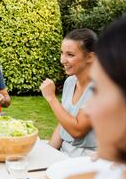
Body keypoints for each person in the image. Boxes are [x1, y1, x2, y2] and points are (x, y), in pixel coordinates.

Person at [55, 12, 126, 179]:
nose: (89, 109)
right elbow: (62, 123)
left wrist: (51, 98)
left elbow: (76, 129)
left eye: (100, 91)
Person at [40, 28, 98, 157]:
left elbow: (77, 131)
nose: (62, 60)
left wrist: (51, 98)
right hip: (65, 152)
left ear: (90, 57)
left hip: (89, 159)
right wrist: (49, 152)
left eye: (70, 55)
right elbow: (64, 121)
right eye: (62, 53)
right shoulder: (70, 82)